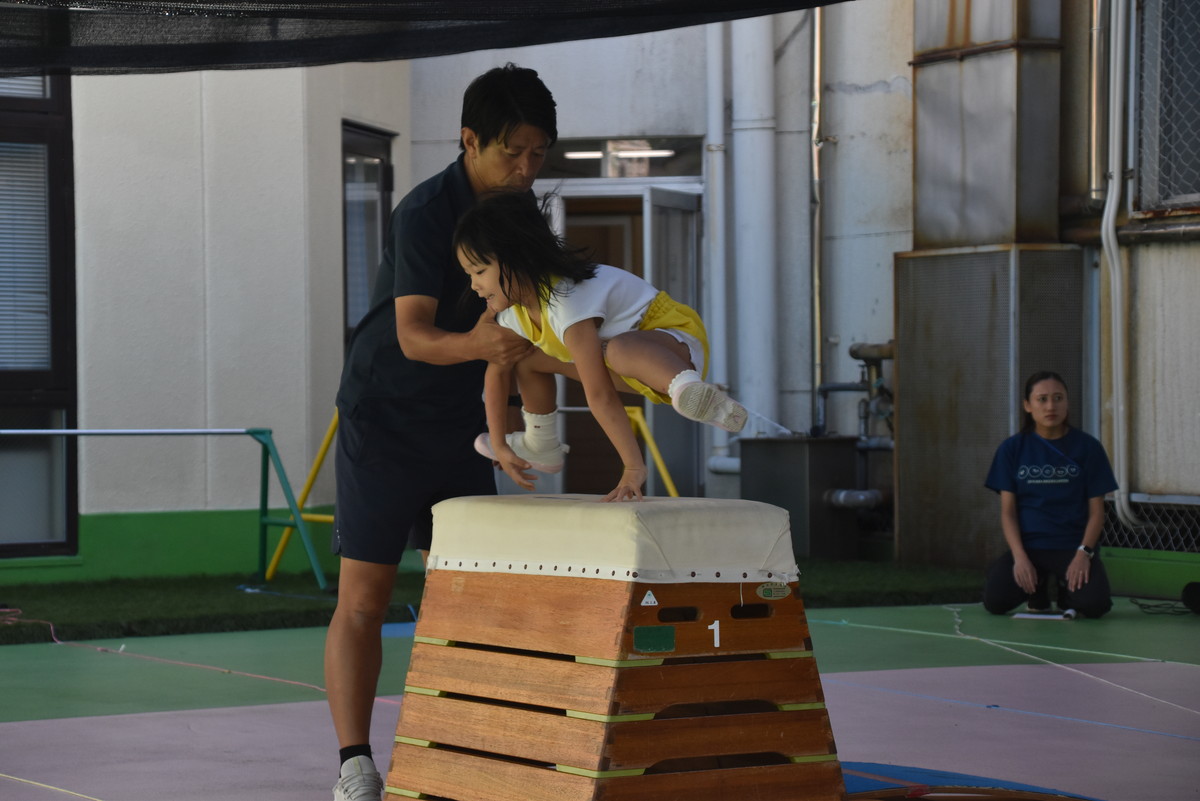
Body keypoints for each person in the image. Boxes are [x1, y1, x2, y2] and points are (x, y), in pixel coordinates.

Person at [327, 65, 556, 801]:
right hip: (385, 417)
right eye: (512, 153)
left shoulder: (523, 214)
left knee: (458, 599)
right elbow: (415, 336)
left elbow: (539, 324)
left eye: (538, 155)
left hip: (461, 424)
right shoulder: (426, 211)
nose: (525, 170)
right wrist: (484, 346)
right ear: (469, 140)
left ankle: (459, 748)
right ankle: (355, 764)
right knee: (365, 598)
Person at [453, 190, 747, 503]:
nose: (474, 285)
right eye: (469, 274)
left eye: (480, 271)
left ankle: (693, 392)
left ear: (518, 258)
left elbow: (599, 395)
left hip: (673, 344)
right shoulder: (513, 315)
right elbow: (497, 373)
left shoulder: (566, 303)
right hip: (627, 367)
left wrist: (633, 466)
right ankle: (542, 443)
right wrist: (500, 445)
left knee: (617, 350)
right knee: (525, 358)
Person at [982, 370, 1117, 619]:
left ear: (1067, 403)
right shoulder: (1012, 449)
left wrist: (1083, 554)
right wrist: (1020, 558)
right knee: (995, 601)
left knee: (1095, 605)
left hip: (1073, 546)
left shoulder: (1088, 447)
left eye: (1058, 398)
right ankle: (1039, 589)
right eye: (1042, 399)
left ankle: (1066, 592)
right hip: (1029, 547)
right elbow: (1008, 513)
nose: (1050, 406)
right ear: (1028, 405)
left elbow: (1097, 513)